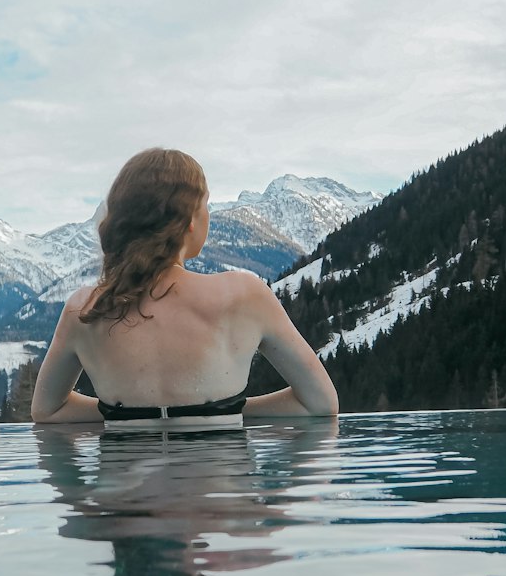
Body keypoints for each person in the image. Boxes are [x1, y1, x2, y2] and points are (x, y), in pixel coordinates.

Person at [30, 148, 339, 426]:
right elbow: (320, 404)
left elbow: (47, 411)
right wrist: (228, 409)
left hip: (124, 487)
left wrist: (121, 411)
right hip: (220, 488)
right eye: (205, 205)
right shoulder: (244, 294)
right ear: (190, 219)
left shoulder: (85, 309)